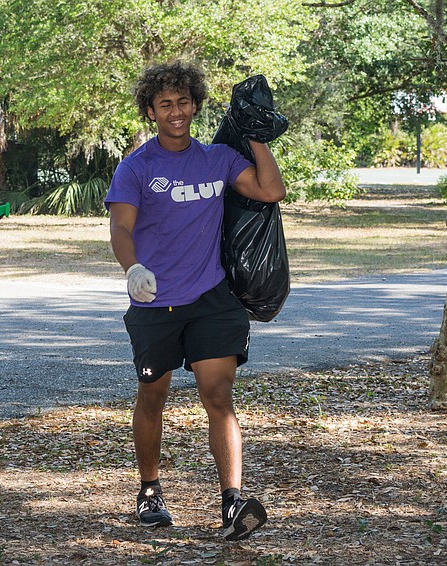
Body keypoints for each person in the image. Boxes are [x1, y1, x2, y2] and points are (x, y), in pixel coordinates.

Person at [104, 61, 286, 541]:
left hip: (210, 297)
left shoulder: (218, 159)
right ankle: (149, 491)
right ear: (151, 111)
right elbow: (120, 228)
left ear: (195, 105)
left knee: (219, 395)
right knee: (153, 396)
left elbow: (271, 190)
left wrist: (255, 135)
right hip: (154, 302)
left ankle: (231, 503)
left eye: (183, 102)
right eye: (165, 104)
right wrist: (133, 269)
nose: (176, 112)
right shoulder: (137, 167)